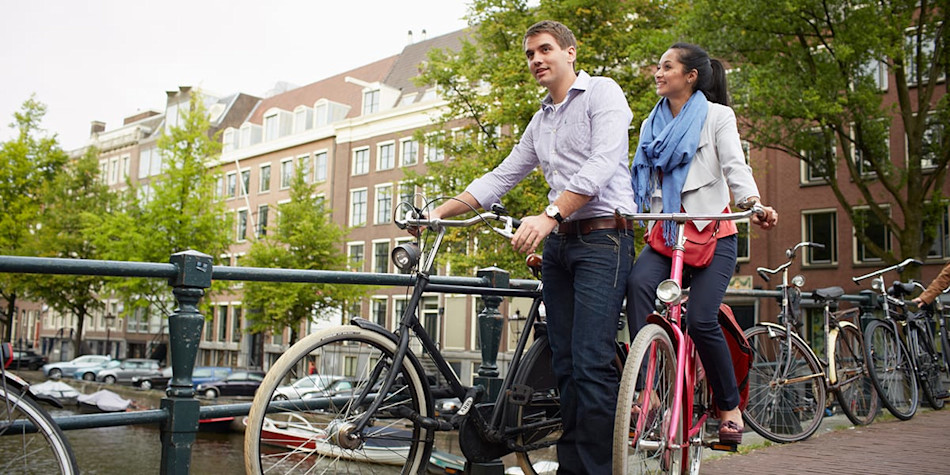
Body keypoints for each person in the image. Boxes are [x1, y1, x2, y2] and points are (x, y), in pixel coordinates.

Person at [424, 20, 635, 474]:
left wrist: (549, 214)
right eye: (530, 54)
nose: (536, 60)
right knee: (563, 363)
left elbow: (601, 164)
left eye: (545, 50)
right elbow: (501, 177)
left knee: (592, 362)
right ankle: (572, 466)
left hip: (604, 239)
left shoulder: (604, 94)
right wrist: (438, 213)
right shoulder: (541, 121)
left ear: (570, 52)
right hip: (561, 247)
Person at [626, 43, 778, 445]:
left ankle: (729, 408)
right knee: (638, 286)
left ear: (690, 76)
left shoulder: (717, 116)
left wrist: (752, 203)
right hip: (667, 233)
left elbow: (734, 165)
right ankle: (649, 392)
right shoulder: (650, 123)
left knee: (701, 318)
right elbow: (638, 178)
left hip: (713, 231)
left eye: (666, 66)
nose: (658, 73)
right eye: (657, 66)